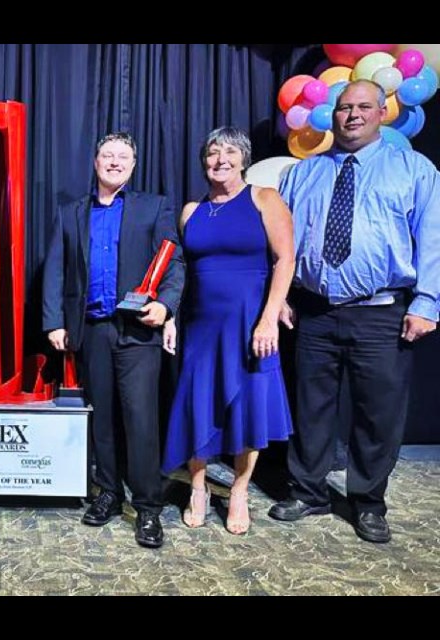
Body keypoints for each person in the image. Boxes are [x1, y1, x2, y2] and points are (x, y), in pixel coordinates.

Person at [270, 80, 440, 544]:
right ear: (333, 113)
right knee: (310, 408)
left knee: (377, 413)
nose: (352, 116)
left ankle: (368, 502)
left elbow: (433, 239)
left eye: (363, 107)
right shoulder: (302, 174)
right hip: (313, 312)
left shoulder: (414, 170)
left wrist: (428, 303)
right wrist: (280, 294)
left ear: (381, 112)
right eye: (345, 108)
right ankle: (308, 492)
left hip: (382, 312)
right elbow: (281, 245)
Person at [42, 131, 184, 548]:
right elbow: (56, 270)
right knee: (101, 419)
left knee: (141, 420)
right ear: (95, 161)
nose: (115, 161)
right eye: (108, 154)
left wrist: (167, 306)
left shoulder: (154, 207)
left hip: (138, 331)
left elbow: (175, 263)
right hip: (92, 331)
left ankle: (148, 508)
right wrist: (54, 321)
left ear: (134, 165)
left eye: (124, 156)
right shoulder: (71, 212)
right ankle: (107, 492)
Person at [162, 126, 295, 535]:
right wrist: (169, 315)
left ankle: (238, 489)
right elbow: (178, 273)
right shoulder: (190, 212)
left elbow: (285, 260)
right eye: (213, 153)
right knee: (198, 402)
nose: (220, 159)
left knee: (248, 406)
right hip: (201, 325)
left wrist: (270, 315)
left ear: (244, 158)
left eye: (230, 152)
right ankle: (198, 487)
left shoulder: (263, 198)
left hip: (252, 324)